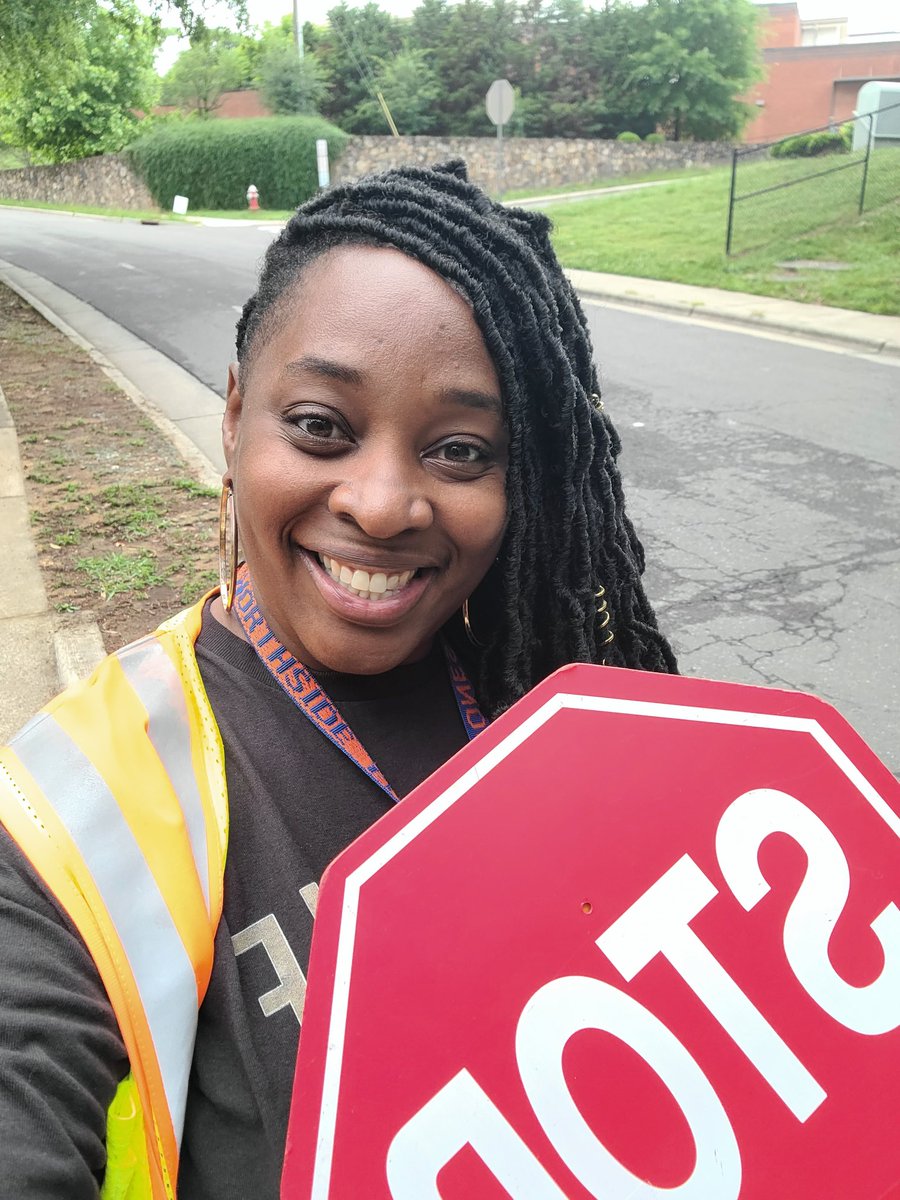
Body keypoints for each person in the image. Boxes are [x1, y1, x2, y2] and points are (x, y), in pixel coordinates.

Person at [0, 159, 676, 1199]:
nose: (383, 502)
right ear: (234, 419)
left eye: (459, 450)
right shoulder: (73, 810)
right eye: (321, 426)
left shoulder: (568, 716)